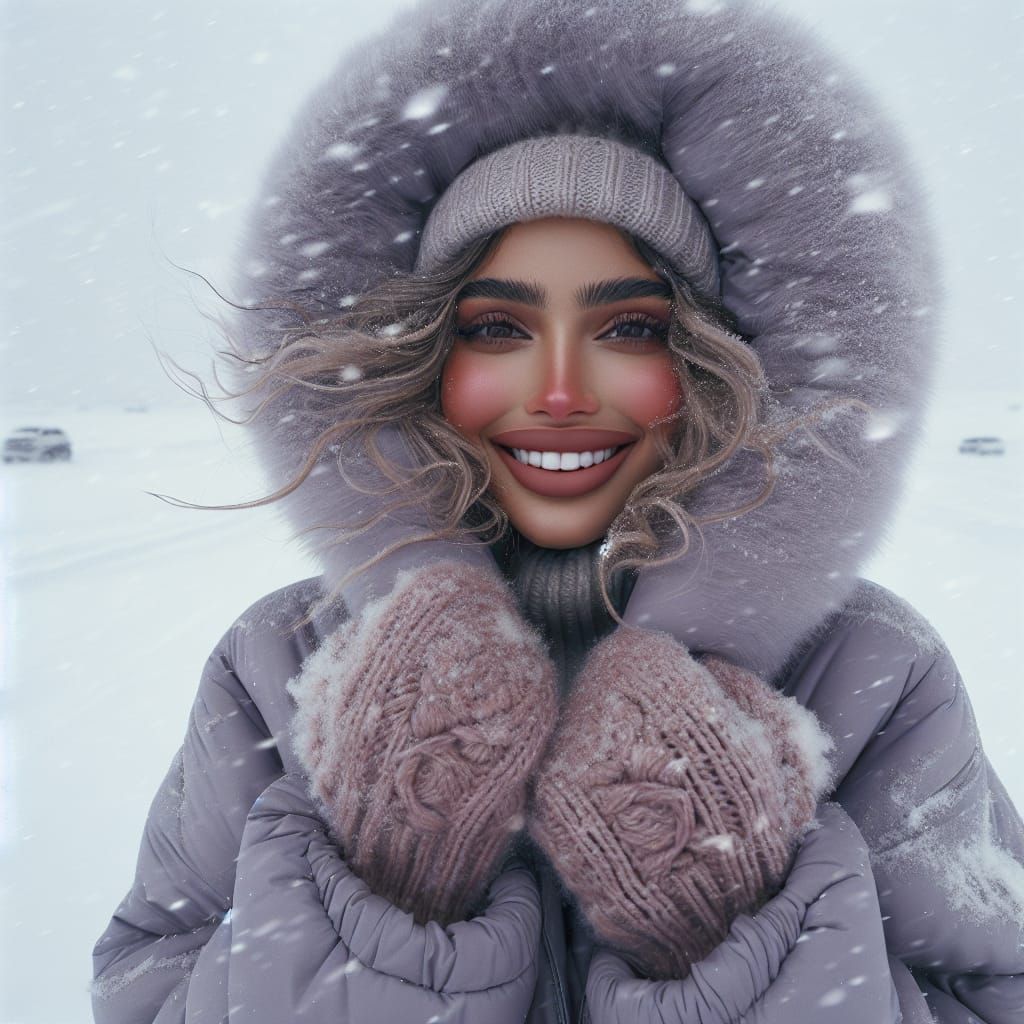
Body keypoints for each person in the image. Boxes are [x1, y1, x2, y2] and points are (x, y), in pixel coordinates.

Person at [91, 1, 1024, 1022]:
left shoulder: (866, 670)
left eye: (630, 327)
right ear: (427, 360)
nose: (563, 391)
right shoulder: (282, 662)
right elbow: (148, 987)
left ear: (712, 363)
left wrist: (716, 920)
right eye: (499, 327)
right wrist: (395, 890)